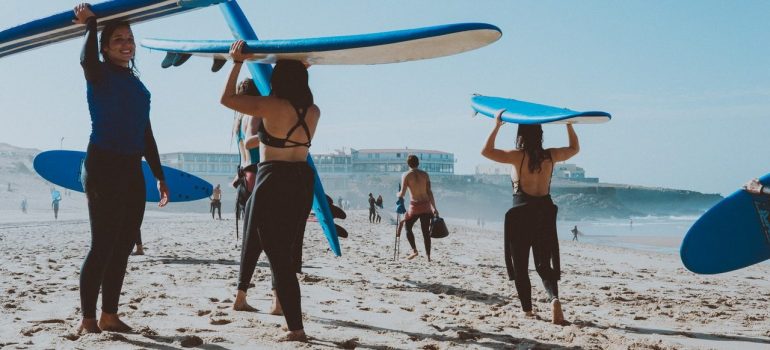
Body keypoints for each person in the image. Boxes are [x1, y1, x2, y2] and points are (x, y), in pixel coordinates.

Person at [73, 3, 169, 334]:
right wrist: (91, 25)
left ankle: (109, 315)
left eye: (129, 38)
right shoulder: (99, 73)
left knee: (125, 243)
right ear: (105, 46)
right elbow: (85, 60)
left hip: (131, 168)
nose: (126, 43)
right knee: (103, 243)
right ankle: (88, 318)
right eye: (118, 39)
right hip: (102, 165)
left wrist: (159, 174)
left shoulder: (138, 85)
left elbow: (146, 133)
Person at [220, 40, 319, 342]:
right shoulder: (313, 111)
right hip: (302, 180)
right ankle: (293, 323)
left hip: (272, 179)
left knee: (277, 257)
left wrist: (236, 62)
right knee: (285, 254)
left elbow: (226, 99)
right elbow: (297, 86)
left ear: (278, 80)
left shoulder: (270, 106)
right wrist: (301, 68)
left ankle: (296, 329)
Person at [480, 109, 579, 325]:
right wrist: (569, 124)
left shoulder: (518, 157)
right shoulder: (550, 155)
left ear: (520, 135)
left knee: (521, 266)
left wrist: (497, 125)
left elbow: (486, 152)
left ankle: (527, 310)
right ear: (540, 135)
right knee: (544, 263)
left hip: (521, 214)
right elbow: (574, 148)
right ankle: (554, 299)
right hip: (544, 212)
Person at [396, 155, 439, 261]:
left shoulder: (406, 175)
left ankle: (414, 250)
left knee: (408, 227)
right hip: (425, 206)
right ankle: (428, 256)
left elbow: (402, 193)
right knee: (426, 232)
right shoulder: (425, 175)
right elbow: (429, 192)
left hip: (414, 207)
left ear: (408, 164)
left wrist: (397, 194)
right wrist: (434, 208)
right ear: (418, 163)